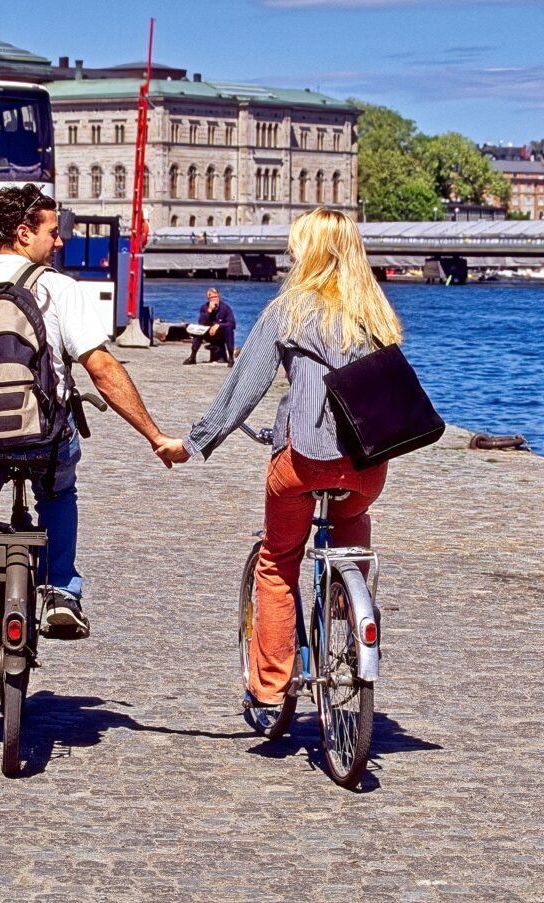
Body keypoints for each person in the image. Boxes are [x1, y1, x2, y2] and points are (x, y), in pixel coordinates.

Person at [0, 182, 175, 676]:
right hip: (47, 437)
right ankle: (61, 592)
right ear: (23, 232)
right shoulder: (58, 289)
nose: (59, 242)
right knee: (58, 494)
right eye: (53, 232)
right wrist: (153, 433)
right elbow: (100, 367)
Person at [156, 208, 404, 709]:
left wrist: (194, 442)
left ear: (307, 252)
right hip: (367, 464)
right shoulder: (375, 310)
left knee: (278, 561)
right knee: (353, 510)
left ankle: (269, 684)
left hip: (302, 460)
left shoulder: (289, 309)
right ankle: (347, 606)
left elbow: (243, 388)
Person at [183, 286, 237, 366]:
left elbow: (232, 324)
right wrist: (209, 310)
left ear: (219, 296)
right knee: (197, 332)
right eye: (211, 297)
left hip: (221, 334)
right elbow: (201, 323)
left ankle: (231, 358)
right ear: (208, 298)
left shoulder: (225, 308)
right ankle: (192, 357)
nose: (214, 299)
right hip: (208, 332)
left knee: (229, 329)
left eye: (215, 297)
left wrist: (218, 325)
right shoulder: (204, 307)